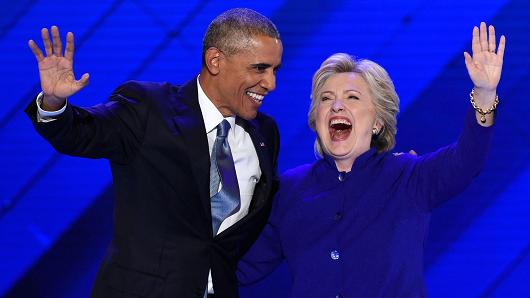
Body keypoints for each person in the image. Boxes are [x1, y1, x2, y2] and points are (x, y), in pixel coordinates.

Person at [25, 8, 282, 298]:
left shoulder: (264, 134)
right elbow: (81, 134)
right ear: (215, 61)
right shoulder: (149, 108)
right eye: (260, 68)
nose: (271, 83)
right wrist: (54, 102)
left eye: (275, 70)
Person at [237, 22, 505, 297]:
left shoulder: (409, 177)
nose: (337, 105)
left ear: (377, 122)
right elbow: (239, 269)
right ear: (316, 119)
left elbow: (467, 160)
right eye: (326, 99)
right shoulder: (289, 191)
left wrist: (485, 94)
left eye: (351, 97)